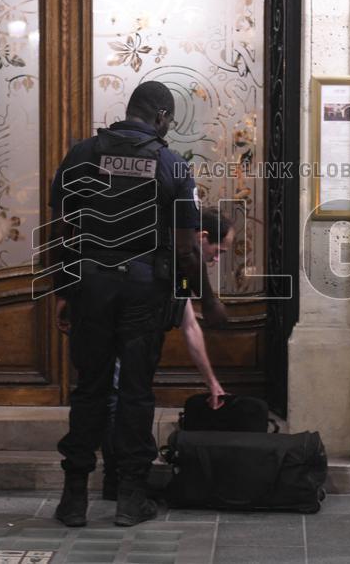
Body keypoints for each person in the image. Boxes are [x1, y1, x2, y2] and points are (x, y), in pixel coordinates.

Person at [49, 80, 227, 528]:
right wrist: (209, 301)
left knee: (89, 389)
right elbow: (187, 248)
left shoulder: (80, 155)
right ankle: (130, 498)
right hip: (144, 289)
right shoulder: (172, 164)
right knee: (134, 392)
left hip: (90, 285)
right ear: (162, 117)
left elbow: (61, 231)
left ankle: (74, 500)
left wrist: (65, 292)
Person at [96, 206, 234, 500]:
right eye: (218, 249)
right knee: (116, 402)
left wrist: (212, 383)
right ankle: (118, 480)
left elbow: (190, 327)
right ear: (203, 236)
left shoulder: (179, 269)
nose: (217, 258)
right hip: (113, 338)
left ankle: (121, 481)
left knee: (126, 402)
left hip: (135, 346)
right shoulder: (158, 254)